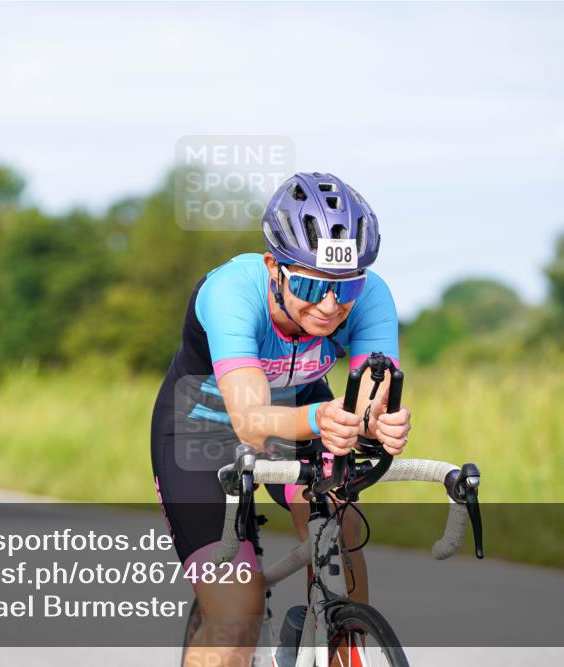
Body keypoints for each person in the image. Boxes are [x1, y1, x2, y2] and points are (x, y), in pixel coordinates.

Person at [150, 172, 412, 667]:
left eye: (347, 286)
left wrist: (382, 423)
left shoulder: (370, 297)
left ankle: (338, 639)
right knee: (236, 616)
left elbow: (371, 402)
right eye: (312, 284)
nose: (331, 306)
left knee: (342, 530)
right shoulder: (232, 292)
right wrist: (325, 417)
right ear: (275, 266)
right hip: (200, 433)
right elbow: (249, 421)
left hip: (300, 417)